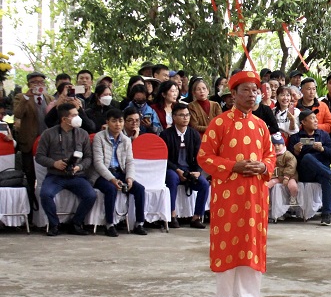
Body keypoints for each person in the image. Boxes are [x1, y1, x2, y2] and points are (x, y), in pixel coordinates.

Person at [198, 70, 276, 297]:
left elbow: (271, 155)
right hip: (227, 194)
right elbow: (204, 157)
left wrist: (263, 167)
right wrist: (233, 166)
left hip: (255, 195)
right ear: (233, 94)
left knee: (252, 242)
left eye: (255, 91)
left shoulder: (261, 125)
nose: (252, 95)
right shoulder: (219, 123)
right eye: (246, 90)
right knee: (227, 242)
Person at [35, 102, 97, 236]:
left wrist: (79, 166)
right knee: (45, 194)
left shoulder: (83, 134)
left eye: (78, 114)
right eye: (74, 115)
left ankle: (76, 223)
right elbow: (39, 157)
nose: (78, 117)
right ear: (64, 119)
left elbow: (88, 157)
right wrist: (54, 163)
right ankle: (54, 224)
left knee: (91, 195)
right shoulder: (48, 134)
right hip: (55, 175)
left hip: (77, 175)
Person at [91, 108, 148, 237]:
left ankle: (139, 223)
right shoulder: (99, 137)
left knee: (140, 189)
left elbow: (129, 162)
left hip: (119, 172)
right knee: (111, 189)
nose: (118, 124)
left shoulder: (126, 140)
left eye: (120, 121)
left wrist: (129, 178)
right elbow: (98, 163)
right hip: (102, 175)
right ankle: (109, 224)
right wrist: (112, 179)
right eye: (114, 121)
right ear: (107, 122)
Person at [161, 102, 209, 229]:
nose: (185, 118)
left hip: (189, 168)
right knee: (172, 179)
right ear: (174, 117)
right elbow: (164, 158)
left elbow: (200, 155)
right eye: (182, 115)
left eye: (187, 115)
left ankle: (197, 217)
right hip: (173, 168)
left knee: (204, 184)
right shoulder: (166, 134)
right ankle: (172, 215)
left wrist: (198, 171)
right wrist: (177, 170)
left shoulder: (194, 134)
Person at [289, 109, 331, 225]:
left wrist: (322, 149)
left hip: (321, 172)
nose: (316, 121)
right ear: (303, 122)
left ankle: (326, 215)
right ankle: (330, 173)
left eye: (316, 118)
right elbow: (289, 159)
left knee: (326, 179)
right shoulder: (295, 138)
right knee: (307, 157)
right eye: (312, 118)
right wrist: (295, 151)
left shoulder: (323, 135)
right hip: (306, 173)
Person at [13, 71, 51, 204]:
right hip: (29, 142)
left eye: (40, 82)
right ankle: (30, 204)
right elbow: (17, 114)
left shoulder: (49, 98)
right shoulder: (21, 97)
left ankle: (43, 202)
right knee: (30, 174)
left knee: (46, 173)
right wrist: (26, 97)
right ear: (28, 84)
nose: (38, 84)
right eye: (34, 82)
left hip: (46, 143)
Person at [268, 132, 299, 213]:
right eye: (274, 145)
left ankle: (293, 199)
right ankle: (268, 202)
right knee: (267, 186)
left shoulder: (288, 155)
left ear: (283, 145)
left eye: (279, 144)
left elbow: (291, 166)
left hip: (290, 176)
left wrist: (286, 177)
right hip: (277, 177)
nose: (276, 147)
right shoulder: (270, 155)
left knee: (293, 186)